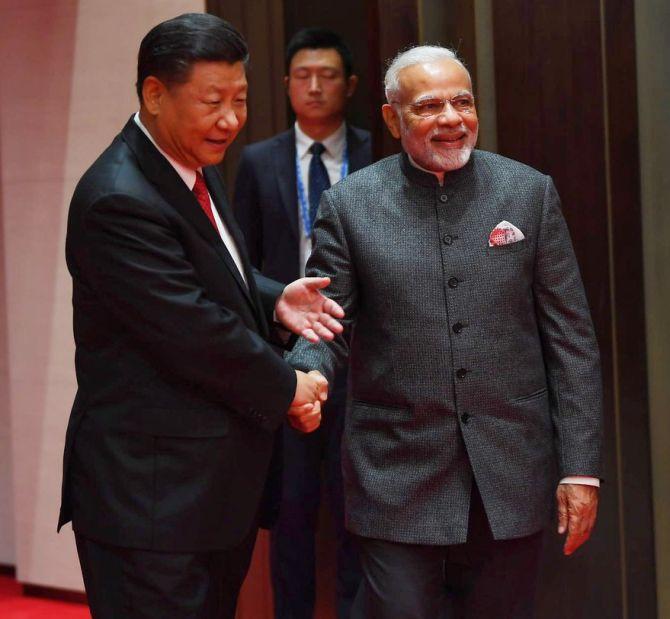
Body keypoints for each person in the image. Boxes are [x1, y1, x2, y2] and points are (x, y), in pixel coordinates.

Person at [287, 45, 603, 619]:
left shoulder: (527, 193)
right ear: (392, 119)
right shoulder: (352, 205)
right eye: (430, 107)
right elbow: (325, 321)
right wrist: (306, 370)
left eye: (463, 101)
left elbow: (571, 340)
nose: (452, 119)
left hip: (510, 468)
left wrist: (579, 467)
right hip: (395, 467)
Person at [57, 13, 346, 619]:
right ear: (154, 94)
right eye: (212, 101)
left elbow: (207, 274)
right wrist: (291, 386)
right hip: (150, 502)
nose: (231, 120)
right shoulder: (118, 198)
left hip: (203, 496)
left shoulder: (189, 166)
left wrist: (273, 298)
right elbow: (191, 330)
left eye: (240, 100)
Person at [233, 27, 370, 619]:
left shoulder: (376, 154)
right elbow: (242, 264)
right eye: (303, 76)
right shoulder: (257, 161)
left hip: (361, 356)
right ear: (287, 84)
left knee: (356, 512)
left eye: (329, 75)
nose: (315, 87)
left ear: (352, 85)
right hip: (286, 360)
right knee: (291, 510)